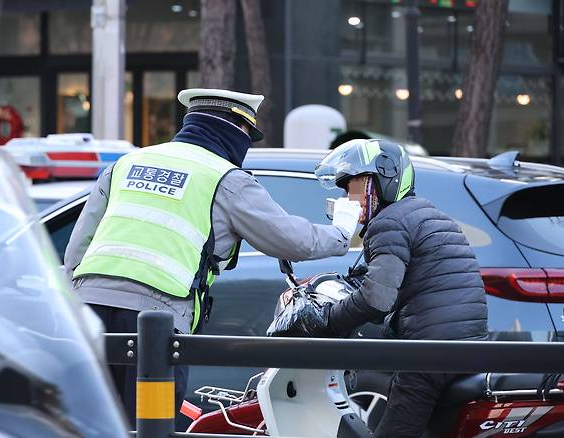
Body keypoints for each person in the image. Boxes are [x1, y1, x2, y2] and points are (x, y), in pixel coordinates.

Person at [63, 88, 363, 422]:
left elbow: (78, 247)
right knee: (150, 423)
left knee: (90, 421)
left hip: (88, 314)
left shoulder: (127, 163)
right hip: (156, 319)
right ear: (236, 130)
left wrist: (74, 302)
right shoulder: (225, 178)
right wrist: (341, 233)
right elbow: (291, 239)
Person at [314, 139, 488, 438]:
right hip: (469, 343)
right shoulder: (425, 213)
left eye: (353, 187)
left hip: (430, 353)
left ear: (381, 181)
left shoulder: (389, 222)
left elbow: (376, 299)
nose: (348, 197)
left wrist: (328, 319)